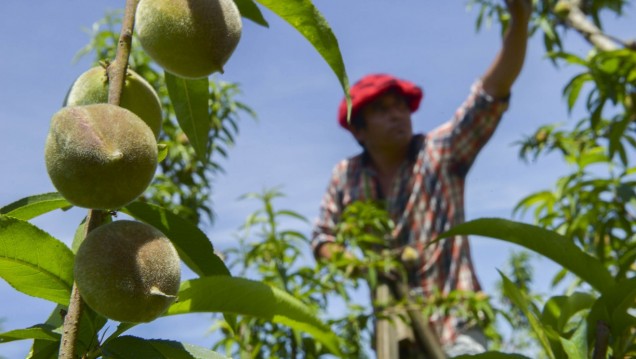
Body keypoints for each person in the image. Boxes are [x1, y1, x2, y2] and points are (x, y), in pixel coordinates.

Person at [311, 0, 532, 357]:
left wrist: (519, 24)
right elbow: (323, 237)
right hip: (395, 330)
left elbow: (490, 95)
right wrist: (362, 266)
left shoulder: (439, 152)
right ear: (359, 130)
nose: (398, 115)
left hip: (456, 318)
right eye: (382, 110)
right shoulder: (347, 176)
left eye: (401, 105)